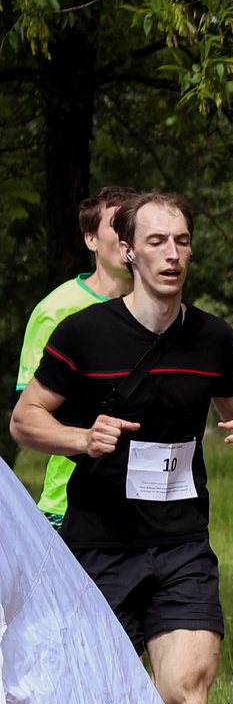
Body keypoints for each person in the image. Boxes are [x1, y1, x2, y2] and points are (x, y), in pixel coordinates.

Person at [9, 191, 233, 704]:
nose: (172, 253)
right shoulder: (84, 334)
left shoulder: (212, 338)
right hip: (99, 546)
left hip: (182, 541)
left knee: (186, 692)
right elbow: (26, 419)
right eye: (156, 241)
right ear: (128, 250)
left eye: (182, 240)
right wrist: (78, 437)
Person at [16, 187, 138, 528]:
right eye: (117, 225)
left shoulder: (164, 311)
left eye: (134, 223)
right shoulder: (56, 311)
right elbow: (31, 416)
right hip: (70, 504)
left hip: (153, 511)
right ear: (91, 240)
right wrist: (86, 441)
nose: (127, 235)